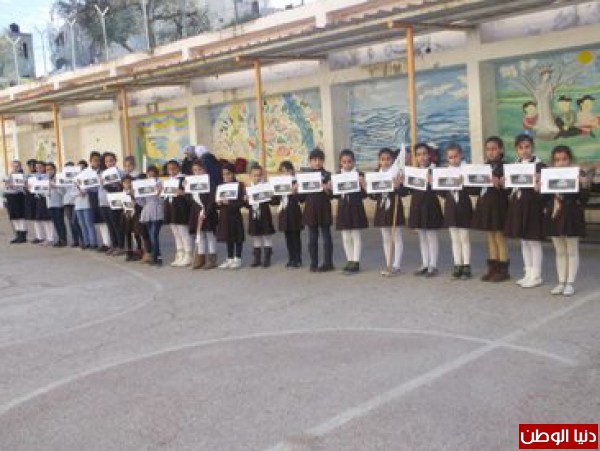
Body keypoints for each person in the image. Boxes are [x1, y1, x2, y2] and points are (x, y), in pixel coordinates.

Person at [544, 145, 588, 296]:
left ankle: (570, 283)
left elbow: (583, 200)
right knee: (560, 251)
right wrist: (539, 186)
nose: (561, 162)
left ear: (570, 160)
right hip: (555, 214)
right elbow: (545, 199)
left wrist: (583, 185)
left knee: (572, 250)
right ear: (553, 161)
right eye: (557, 160)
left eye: (564, 159)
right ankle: (561, 282)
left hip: (571, 215)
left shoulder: (577, 173)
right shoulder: (549, 174)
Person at [505, 134, 546, 288]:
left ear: (532, 147)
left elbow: (545, 187)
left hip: (533, 206)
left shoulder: (540, 165)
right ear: (517, 150)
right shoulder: (514, 166)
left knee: (534, 241)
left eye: (527, 147)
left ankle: (536, 275)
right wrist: (504, 182)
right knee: (524, 241)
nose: (524, 150)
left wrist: (539, 181)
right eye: (521, 148)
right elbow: (509, 187)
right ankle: (528, 273)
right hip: (518, 205)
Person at [472, 137, 510, 282]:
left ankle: (503, 269)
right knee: (490, 236)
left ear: (501, 150)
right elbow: (475, 189)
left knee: (499, 236)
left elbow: (509, 189)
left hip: (499, 206)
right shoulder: (484, 167)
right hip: (485, 205)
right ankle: (493, 267)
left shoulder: (505, 167)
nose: (491, 152)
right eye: (488, 149)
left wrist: (500, 182)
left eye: (494, 149)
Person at [370, 148, 408, 277]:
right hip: (382, 209)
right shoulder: (376, 174)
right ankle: (388, 263)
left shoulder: (397, 173)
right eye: (383, 159)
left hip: (394, 207)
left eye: (388, 159)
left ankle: (397, 265)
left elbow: (404, 192)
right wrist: (369, 189)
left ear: (392, 160)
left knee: (397, 236)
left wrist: (398, 186)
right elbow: (373, 196)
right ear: (379, 161)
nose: (385, 162)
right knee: (385, 237)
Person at [408, 143, 443, 278]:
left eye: (424, 154)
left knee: (431, 235)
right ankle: (425, 263)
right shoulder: (414, 172)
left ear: (429, 155)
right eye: (418, 155)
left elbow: (441, 190)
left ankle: (433, 265)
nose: (422, 157)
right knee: (421, 236)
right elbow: (407, 190)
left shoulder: (434, 170)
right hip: (417, 205)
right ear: (415, 157)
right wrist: (402, 181)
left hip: (430, 205)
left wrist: (433, 182)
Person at [440, 143, 473, 279]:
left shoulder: (466, 170)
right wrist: (436, 183)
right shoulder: (445, 172)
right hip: (450, 207)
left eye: (456, 156)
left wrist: (464, 182)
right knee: (454, 239)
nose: (453, 159)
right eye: (450, 157)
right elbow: (442, 193)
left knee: (464, 238)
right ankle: (457, 264)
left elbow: (473, 190)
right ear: (447, 158)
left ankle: (466, 266)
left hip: (463, 206)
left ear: (461, 155)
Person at [299, 148, 334, 273]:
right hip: (310, 210)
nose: (317, 162)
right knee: (312, 238)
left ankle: (328, 263)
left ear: (323, 161)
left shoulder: (328, 175)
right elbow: (301, 198)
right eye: (314, 160)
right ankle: (313, 263)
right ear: (310, 161)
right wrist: (297, 189)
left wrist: (328, 189)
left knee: (326, 236)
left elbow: (332, 195)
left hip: (324, 209)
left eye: (320, 160)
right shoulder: (305, 176)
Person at [335, 149, 368, 274]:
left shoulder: (359, 175)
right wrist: (331, 187)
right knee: (345, 236)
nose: (347, 164)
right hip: (343, 208)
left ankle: (356, 261)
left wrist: (363, 184)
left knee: (355, 235)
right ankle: (349, 260)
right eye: (344, 162)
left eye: (349, 161)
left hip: (355, 207)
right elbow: (335, 195)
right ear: (340, 163)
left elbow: (364, 195)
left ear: (354, 162)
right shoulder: (337, 175)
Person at [187, 159, 219, 270]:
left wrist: (206, 211)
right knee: (200, 235)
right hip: (196, 211)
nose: (197, 172)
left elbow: (212, 199)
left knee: (210, 235)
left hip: (208, 211)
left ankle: (212, 259)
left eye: (199, 170)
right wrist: (186, 189)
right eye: (195, 170)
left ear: (204, 170)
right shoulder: (191, 182)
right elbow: (189, 200)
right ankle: (200, 259)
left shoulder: (210, 182)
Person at [163, 159, 192, 267]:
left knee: (183, 231)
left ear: (178, 168)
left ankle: (188, 255)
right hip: (171, 208)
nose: (171, 171)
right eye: (169, 169)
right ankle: (180, 254)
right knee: (175, 232)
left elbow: (190, 193)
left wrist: (183, 192)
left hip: (181, 208)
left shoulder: (183, 179)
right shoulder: (168, 180)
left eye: (174, 169)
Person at [216, 163, 245, 269]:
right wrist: (218, 203)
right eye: (223, 174)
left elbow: (241, 203)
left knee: (237, 236)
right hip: (224, 215)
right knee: (228, 236)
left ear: (233, 174)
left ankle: (238, 258)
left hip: (235, 215)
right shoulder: (221, 186)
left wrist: (229, 203)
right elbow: (217, 203)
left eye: (228, 174)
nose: (226, 176)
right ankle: (229, 258)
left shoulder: (239, 186)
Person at [246, 164, 275, 268]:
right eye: (255, 175)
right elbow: (247, 205)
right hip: (254, 215)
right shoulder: (249, 188)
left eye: (259, 175)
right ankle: (257, 258)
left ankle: (267, 258)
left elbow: (274, 202)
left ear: (262, 176)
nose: (257, 178)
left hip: (265, 214)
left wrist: (272, 196)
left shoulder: (266, 187)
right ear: (250, 176)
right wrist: (246, 199)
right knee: (256, 236)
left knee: (267, 235)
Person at [275, 160, 303, 268]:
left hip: (294, 212)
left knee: (296, 236)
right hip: (284, 212)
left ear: (292, 171)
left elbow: (301, 199)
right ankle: (291, 258)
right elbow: (275, 201)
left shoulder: (296, 182)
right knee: (288, 237)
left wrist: (295, 191)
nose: (285, 173)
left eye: (287, 171)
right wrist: (273, 193)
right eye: (283, 171)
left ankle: (298, 259)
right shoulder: (279, 183)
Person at [137, 166, 164, 266]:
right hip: (147, 212)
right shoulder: (144, 184)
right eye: (149, 174)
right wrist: (136, 194)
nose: (151, 175)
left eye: (153, 174)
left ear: (156, 174)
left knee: (154, 235)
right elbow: (142, 202)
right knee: (151, 236)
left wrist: (159, 192)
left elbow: (163, 200)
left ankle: (155, 257)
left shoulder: (160, 184)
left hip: (157, 212)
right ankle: (158, 256)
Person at [100, 152, 126, 256]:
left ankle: (121, 246)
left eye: (111, 160)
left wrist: (116, 185)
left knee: (117, 225)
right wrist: (102, 182)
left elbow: (122, 187)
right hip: (104, 203)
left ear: (115, 161)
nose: (109, 163)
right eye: (107, 161)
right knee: (110, 225)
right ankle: (114, 245)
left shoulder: (121, 173)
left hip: (115, 202)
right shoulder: (103, 174)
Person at [74, 159, 98, 250]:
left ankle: (93, 243)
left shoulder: (89, 176)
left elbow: (94, 187)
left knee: (89, 224)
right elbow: (71, 192)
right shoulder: (75, 178)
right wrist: (78, 193)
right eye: (79, 167)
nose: (80, 169)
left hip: (87, 203)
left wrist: (86, 191)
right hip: (78, 204)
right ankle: (86, 242)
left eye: (82, 167)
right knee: (82, 224)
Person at [121, 175, 144, 262]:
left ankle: (139, 250)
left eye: (129, 182)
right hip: (126, 214)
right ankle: (129, 251)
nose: (127, 184)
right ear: (122, 184)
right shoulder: (122, 192)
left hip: (135, 214)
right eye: (125, 183)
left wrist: (133, 195)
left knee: (136, 233)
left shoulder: (135, 191)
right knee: (127, 233)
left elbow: (139, 203)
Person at [4, 159, 27, 244]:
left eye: (17, 166)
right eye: (13, 166)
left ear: (20, 167)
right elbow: (6, 185)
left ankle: (23, 235)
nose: (15, 168)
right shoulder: (9, 175)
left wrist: (14, 185)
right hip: (10, 197)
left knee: (20, 216)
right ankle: (18, 234)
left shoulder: (22, 175)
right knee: (14, 217)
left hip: (18, 196)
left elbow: (23, 186)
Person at [46, 162, 67, 247]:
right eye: (47, 170)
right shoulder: (46, 180)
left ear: (54, 170)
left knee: (60, 222)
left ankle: (63, 239)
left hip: (58, 204)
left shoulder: (59, 178)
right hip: (50, 203)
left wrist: (56, 186)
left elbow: (63, 192)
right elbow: (45, 193)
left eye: (50, 169)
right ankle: (59, 238)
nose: (48, 171)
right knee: (55, 222)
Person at [62, 162, 83, 248]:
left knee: (76, 221)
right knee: (70, 222)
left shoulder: (78, 177)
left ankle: (83, 239)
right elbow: (62, 191)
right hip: (67, 202)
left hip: (76, 202)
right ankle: (75, 240)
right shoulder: (63, 178)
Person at [33, 160, 53, 246]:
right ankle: (46, 238)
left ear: (44, 167)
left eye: (40, 167)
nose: (38, 169)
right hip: (39, 198)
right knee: (43, 219)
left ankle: (50, 238)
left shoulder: (47, 176)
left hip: (47, 198)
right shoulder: (35, 177)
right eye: (37, 168)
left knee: (48, 219)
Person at [23, 159, 38, 242]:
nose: (32, 167)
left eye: (33, 165)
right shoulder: (27, 175)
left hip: (38, 197)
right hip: (30, 197)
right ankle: (37, 236)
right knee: (33, 217)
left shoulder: (40, 174)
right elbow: (24, 186)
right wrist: (25, 186)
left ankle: (43, 236)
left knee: (40, 217)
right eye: (30, 165)